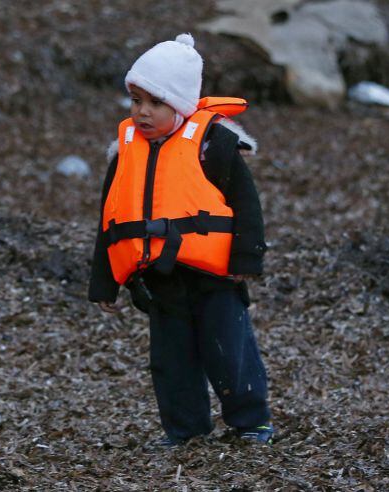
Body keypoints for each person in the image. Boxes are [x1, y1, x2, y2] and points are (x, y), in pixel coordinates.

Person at [88, 33, 273, 446]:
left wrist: (248, 258)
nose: (143, 113)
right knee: (171, 364)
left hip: (215, 279)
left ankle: (252, 422)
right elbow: (111, 220)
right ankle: (185, 431)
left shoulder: (214, 145)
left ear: (182, 105)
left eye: (156, 103)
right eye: (136, 101)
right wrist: (104, 283)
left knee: (229, 353)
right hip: (160, 281)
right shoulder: (124, 152)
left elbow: (246, 203)